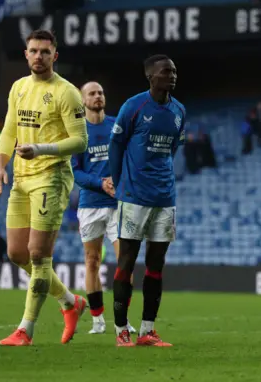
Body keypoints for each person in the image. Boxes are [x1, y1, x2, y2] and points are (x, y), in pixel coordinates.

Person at [0, 29, 88, 346]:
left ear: (54, 56)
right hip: (20, 179)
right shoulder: (19, 88)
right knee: (17, 253)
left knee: (38, 254)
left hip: (51, 176)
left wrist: (41, 149)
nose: (38, 56)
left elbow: (80, 141)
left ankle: (25, 329)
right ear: (26, 53)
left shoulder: (67, 92)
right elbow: (8, 130)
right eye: (33, 51)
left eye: (45, 52)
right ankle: (71, 303)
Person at [109, 54, 185, 347]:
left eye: (175, 71)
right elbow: (116, 146)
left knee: (156, 264)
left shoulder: (179, 110)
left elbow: (172, 150)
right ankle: (120, 331)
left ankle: (147, 330)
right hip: (134, 196)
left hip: (165, 197)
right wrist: (119, 183)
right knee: (126, 262)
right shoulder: (134, 106)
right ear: (151, 76)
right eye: (167, 71)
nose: (173, 75)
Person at [71, 81, 136, 335]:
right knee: (92, 261)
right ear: (82, 100)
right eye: (92, 93)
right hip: (91, 205)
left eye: (100, 92)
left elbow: (130, 159)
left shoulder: (116, 127)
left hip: (119, 204)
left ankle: (123, 318)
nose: (98, 96)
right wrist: (101, 183)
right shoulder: (78, 132)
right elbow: (75, 171)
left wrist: (119, 183)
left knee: (125, 262)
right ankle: (98, 320)